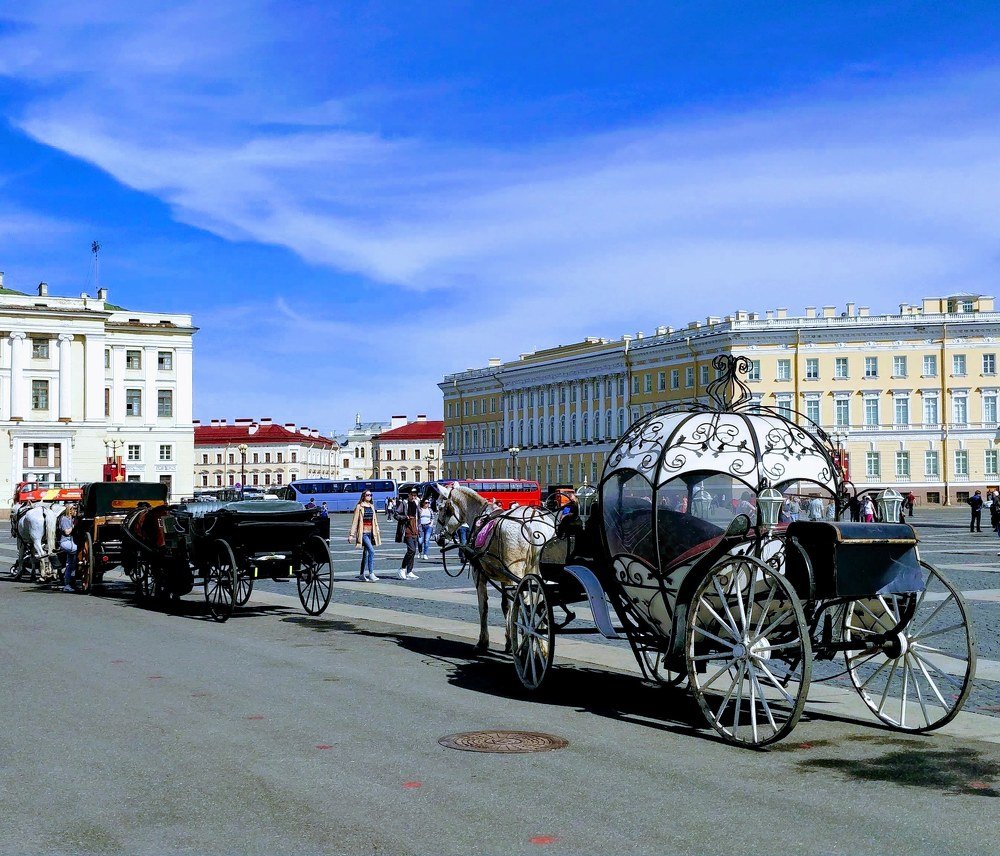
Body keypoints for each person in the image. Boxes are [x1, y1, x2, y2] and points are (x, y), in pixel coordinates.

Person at [348, 489, 381, 581]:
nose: (369, 496)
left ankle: (362, 574)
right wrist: (351, 534)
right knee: (372, 551)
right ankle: (371, 573)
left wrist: (377, 530)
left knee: (365, 554)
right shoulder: (359, 507)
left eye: (370, 495)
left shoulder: (371, 506)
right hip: (363, 533)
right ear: (363, 496)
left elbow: (374, 520)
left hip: (371, 533)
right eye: (367, 495)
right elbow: (355, 521)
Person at [397, 489, 420, 580]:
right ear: (409, 495)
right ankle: (402, 568)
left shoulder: (416, 503)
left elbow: (418, 516)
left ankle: (409, 571)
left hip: (415, 529)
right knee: (412, 550)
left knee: (413, 552)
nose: (414, 497)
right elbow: (396, 514)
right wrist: (404, 517)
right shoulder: (404, 503)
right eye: (412, 495)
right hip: (407, 529)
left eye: (415, 495)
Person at [58, 505, 77, 592]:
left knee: (70, 564)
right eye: (74, 510)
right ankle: (68, 584)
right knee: (76, 550)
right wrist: (74, 526)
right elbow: (67, 532)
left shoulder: (72, 519)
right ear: (70, 510)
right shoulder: (65, 519)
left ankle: (68, 583)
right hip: (66, 542)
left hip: (71, 542)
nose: (76, 511)